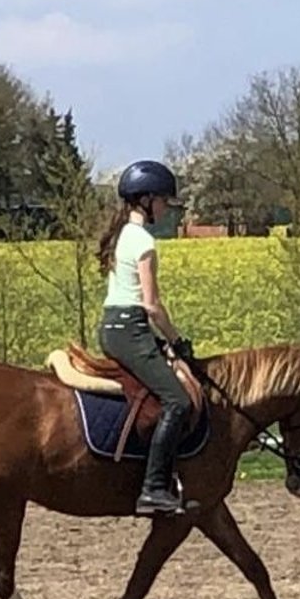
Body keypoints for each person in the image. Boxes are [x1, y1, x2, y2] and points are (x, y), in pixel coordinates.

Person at [96, 159, 195, 516]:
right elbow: (152, 306)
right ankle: (153, 488)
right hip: (131, 329)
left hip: (113, 326)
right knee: (178, 401)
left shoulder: (123, 234)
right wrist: (177, 339)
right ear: (146, 199)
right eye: (164, 201)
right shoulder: (142, 240)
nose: (166, 207)